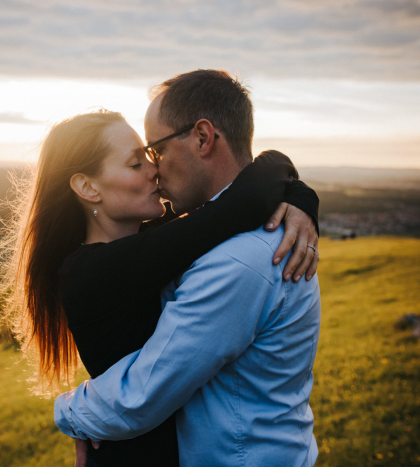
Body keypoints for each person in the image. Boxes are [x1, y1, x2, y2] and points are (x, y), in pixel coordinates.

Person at [54, 70, 321, 467]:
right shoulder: (189, 241)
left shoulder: (236, 261)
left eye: (155, 151)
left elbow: (144, 393)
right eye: (138, 160)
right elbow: (226, 212)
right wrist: (292, 186)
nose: (154, 170)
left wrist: (70, 413)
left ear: (202, 137)